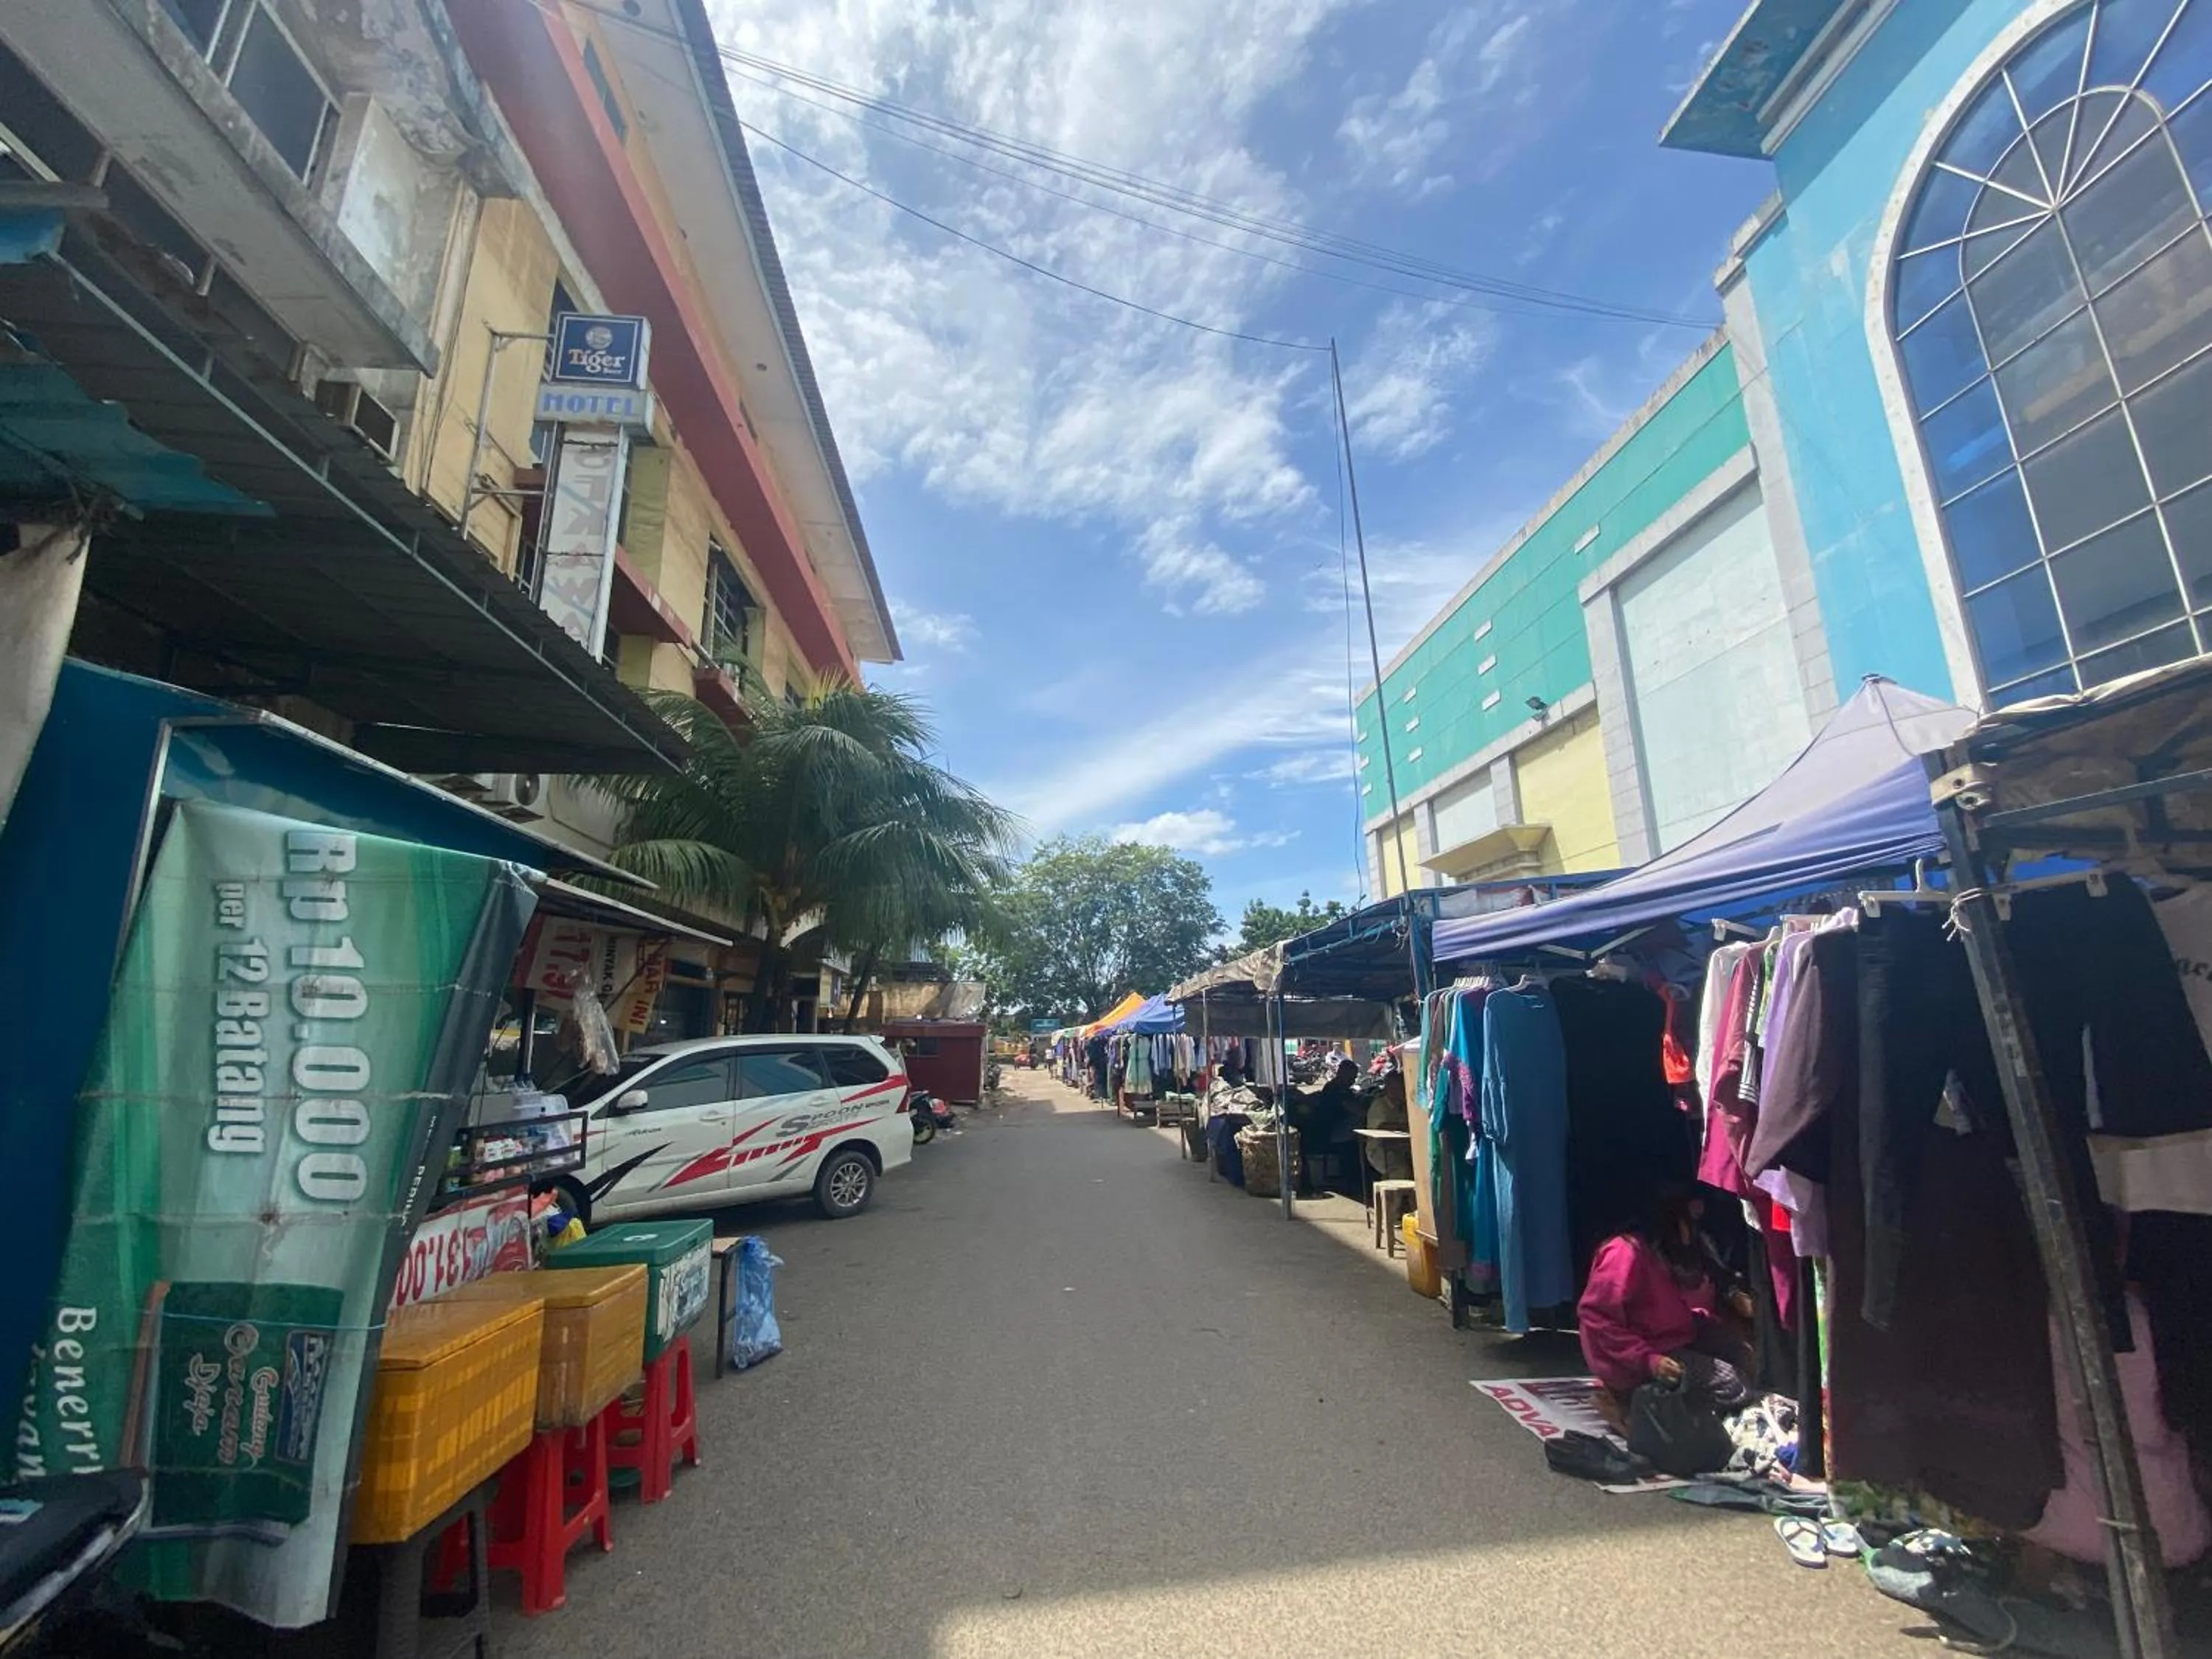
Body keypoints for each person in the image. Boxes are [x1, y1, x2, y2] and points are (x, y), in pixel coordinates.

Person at [1577, 1185, 1756, 1412]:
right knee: (1734, 1387)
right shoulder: (1624, 1253)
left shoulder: (1665, 1250)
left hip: (1671, 1335)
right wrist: (1649, 1361)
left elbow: (1668, 1305)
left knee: (1743, 1355)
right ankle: (1635, 1403)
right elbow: (1597, 1322)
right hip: (1640, 1356)